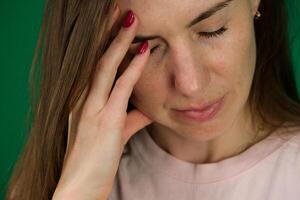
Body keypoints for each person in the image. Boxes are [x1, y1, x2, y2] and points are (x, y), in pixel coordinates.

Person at [5, 0, 300, 199]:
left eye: (213, 30)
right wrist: (80, 190)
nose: (191, 84)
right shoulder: (49, 186)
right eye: (145, 48)